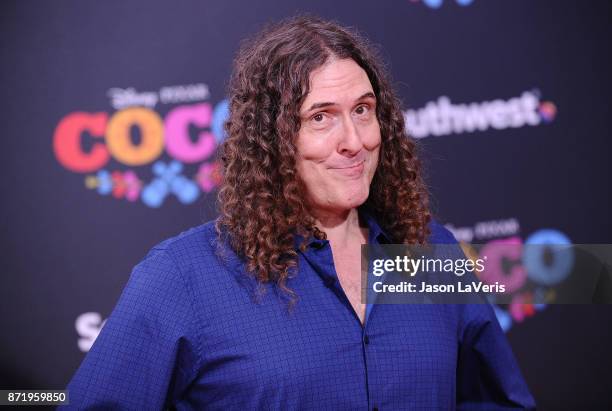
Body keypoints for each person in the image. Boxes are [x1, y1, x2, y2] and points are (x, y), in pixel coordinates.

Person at [62, 16, 536, 410]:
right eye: (320, 117)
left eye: (363, 110)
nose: (354, 141)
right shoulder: (182, 278)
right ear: (272, 142)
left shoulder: (431, 251)